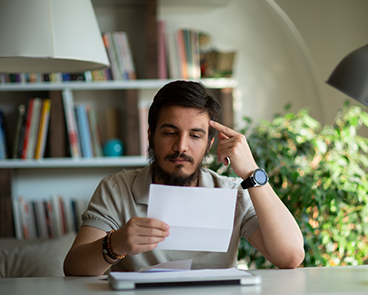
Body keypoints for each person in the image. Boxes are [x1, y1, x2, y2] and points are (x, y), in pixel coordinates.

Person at [64, 80, 304, 276]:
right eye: (170, 133)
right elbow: (74, 269)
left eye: (195, 136)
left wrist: (252, 172)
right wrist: (115, 244)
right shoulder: (116, 188)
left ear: (210, 143)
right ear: (151, 135)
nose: (181, 147)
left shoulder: (232, 193)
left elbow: (290, 256)